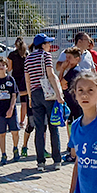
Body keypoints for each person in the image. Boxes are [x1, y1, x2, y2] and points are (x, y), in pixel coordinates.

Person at [24, 33, 63, 170]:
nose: (50, 45)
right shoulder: (45, 56)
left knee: (39, 129)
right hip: (48, 93)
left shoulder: (28, 59)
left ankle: (40, 161)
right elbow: (51, 75)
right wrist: (59, 94)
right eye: (48, 43)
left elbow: (27, 80)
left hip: (34, 94)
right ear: (43, 44)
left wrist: (29, 97)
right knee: (54, 126)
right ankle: (57, 160)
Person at [7, 37, 31, 155]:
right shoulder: (26, 54)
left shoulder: (12, 54)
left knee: (12, 99)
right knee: (24, 102)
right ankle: (22, 121)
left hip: (15, 78)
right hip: (25, 78)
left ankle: (13, 120)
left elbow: (9, 68)